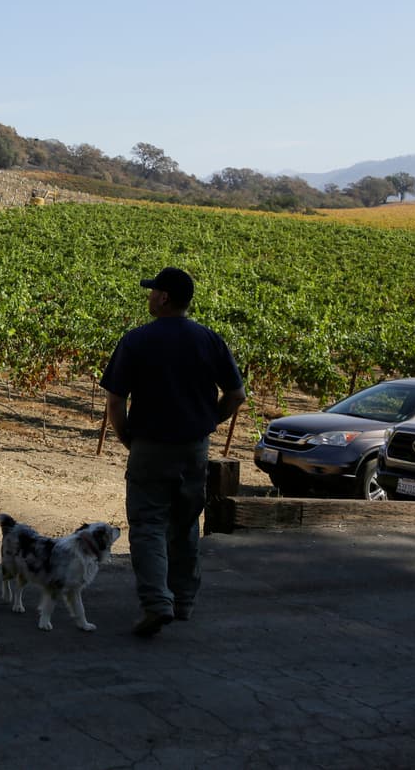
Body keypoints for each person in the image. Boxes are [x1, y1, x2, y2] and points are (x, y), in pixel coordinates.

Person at [100, 266, 246, 638]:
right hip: (193, 447)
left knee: (148, 524)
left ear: (164, 298)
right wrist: (209, 421)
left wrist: (128, 439)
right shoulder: (209, 340)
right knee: (184, 524)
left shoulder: (136, 340)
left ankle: (156, 602)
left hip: (151, 445)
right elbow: (236, 395)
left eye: (153, 292)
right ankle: (183, 601)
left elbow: (116, 402)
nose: (149, 296)